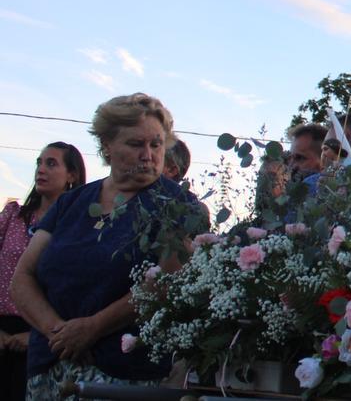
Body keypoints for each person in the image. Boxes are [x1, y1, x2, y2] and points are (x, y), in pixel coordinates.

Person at [10, 93, 206, 398]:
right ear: (107, 147)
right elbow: (22, 278)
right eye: (135, 144)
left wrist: (92, 328)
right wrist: (59, 334)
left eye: (156, 145)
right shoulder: (70, 203)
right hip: (50, 368)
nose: (148, 154)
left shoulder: (178, 206)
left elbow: (167, 281)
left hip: (124, 375)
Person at [1, 142, 86, 400]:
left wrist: (38, 334)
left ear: (71, 175)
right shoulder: (14, 215)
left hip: (47, 336)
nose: (41, 169)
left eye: (51, 163)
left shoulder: (78, 226)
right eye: (39, 162)